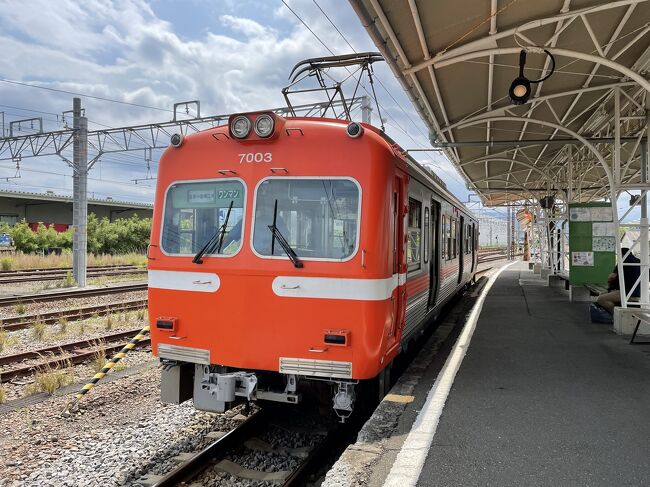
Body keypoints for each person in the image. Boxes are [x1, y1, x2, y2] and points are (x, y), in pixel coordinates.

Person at [596, 248, 641, 313]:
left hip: (625, 293)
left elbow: (611, 277)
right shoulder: (640, 261)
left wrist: (609, 287)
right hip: (639, 293)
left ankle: (615, 314)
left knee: (601, 299)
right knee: (603, 294)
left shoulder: (622, 261)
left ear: (621, 254)